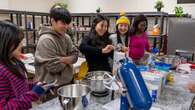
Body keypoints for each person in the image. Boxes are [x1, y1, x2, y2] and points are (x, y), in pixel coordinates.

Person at [0, 21, 48, 110]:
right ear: (5, 43)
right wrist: (32, 95)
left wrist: (34, 87)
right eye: (18, 42)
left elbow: (20, 88)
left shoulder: (16, 63)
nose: (22, 45)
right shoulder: (2, 72)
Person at [35, 6, 78, 86]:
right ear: (53, 21)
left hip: (67, 82)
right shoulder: (46, 40)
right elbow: (54, 67)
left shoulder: (66, 37)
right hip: (50, 86)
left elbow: (75, 56)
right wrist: (68, 60)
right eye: (63, 23)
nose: (66, 27)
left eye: (67, 23)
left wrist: (61, 59)